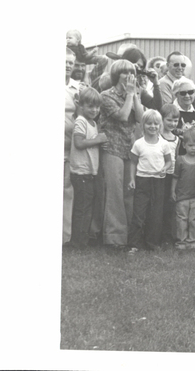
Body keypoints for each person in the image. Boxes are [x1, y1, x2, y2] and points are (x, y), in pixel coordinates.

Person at [98, 59, 145, 248]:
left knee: (128, 192)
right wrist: (129, 96)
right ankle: (114, 238)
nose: (129, 76)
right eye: (125, 73)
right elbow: (123, 116)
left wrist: (134, 97)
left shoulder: (133, 94)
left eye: (131, 72)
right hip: (111, 148)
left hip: (128, 148)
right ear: (116, 75)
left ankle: (128, 237)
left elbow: (141, 118)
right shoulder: (105, 96)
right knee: (114, 193)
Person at [67, 87, 108, 248]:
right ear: (81, 106)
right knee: (82, 208)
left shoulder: (93, 123)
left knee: (87, 206)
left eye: (97, 107)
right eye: (90, 106)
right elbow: (78, 143)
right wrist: (98, 140)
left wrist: (100, 143)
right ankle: (77, 242)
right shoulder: (81, 121)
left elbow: (91, 143)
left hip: (90, 172)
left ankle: (83, 239)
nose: (95, 110)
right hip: (80, 172)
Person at [127, 110, 172, 252]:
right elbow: (133, 163)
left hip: (158, 181)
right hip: (142, 180)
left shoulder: (164, 144)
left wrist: (164, 168)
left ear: (160, 126)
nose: (152, 126)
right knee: (139, 212)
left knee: (156, 213)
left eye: (156, 124)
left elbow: (169, 162)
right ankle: (134, 244)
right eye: (149, 123)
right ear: (143, 125)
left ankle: (152, 243)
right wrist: (132, 179)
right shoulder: (138, 144)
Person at [171, 129, 195, 250]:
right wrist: (172, 191)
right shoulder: (180, 160)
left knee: (194, 219)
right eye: (190, 145)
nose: (193, 148)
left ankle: (192, 241)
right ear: (184, 145)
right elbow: (175, 177)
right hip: (182, 196)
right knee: (181, 219)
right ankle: (181, 241)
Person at [64, 48, 80, 245]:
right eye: (64, 61)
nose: (68, 65)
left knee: (67, 189)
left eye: (70, 62)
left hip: (70, 146)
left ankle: (64, 237)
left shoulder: (77, 88)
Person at [159, 104, 181, 244]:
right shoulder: (158, 136)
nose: (173, 124)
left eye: (175, 121)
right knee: (157, 205)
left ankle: (167, 237)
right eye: (169, 120)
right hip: (158, 174)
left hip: (170, 175)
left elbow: (176, 157)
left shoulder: (177, 138)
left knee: (168, 206)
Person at [172, 78, 195, 155]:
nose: (187, 95)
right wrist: (183, 132)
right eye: (183, 93)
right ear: (176, 94)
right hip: (176, 158)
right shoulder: (170, 111)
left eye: (190, 92)